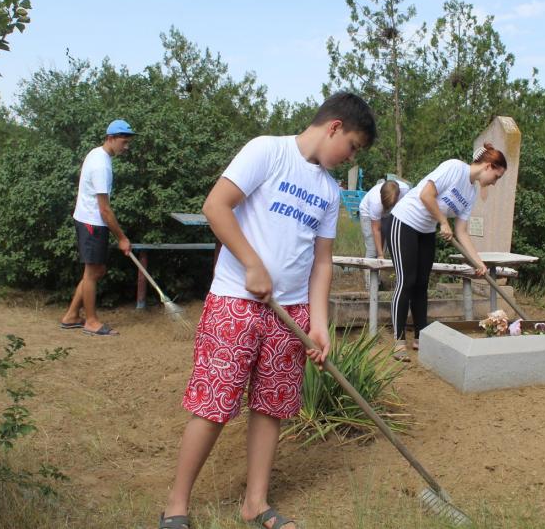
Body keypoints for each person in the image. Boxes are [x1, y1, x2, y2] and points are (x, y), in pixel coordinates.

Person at [159, 93, 376, 529]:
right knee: (213, 404)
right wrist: (253, 263)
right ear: (334, 126)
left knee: (271, 406)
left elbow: (321, 262)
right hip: (235, 302)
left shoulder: (329, 192)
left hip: (290, 314)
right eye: (352, 146)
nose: (350, 156)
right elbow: (215, 206)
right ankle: (176, 505)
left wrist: (318, 324)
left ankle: (255, 503)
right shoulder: (267, 151)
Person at [387, 142, 508, 361]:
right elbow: (426, 195)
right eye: (497, 177)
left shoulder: (471, 193)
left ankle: (420, 338)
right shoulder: (455, 168)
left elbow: (461, 232)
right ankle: (398, 340)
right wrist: (443, 221)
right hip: (404, 222)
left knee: (422, 284)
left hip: (425, 230)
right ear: (489, 166)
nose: (495, 182)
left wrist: (477, 262)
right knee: (407, 280)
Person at [59, 119, 135, 336]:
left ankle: (72, 315)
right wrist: (122, 238)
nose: (126, 146)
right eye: (124, 141)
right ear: (110, 138)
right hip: (92, 222)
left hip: (87, 219)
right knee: (92, 273)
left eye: (128, 142)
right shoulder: (102, 165)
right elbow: (105, 210)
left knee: (97, 270)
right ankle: (91, 322)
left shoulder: (96, 154)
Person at [357, 178, 408, 288]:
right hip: (368, 214)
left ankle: (377, 281)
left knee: (384, 245)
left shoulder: (405, 190)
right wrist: (380, 254)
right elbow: (376, 229)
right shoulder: (375, 202)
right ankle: (370, 286)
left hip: (389, 215)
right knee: (373, 249)